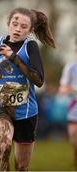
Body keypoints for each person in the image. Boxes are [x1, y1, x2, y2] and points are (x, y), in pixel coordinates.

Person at [0, 7, 56, 171]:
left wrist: (13, 57)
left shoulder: (30, 47)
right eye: (15, 23)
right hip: (1, 107)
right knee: (4, 145)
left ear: (30, 30)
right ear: (8, 23)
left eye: (23, 26)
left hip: (27, 112)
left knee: (22, 166)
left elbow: (38, 80)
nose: (18, 29)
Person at [59, 39, 77, 168]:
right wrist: (72, 89)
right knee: (73, 135)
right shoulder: (71, 67)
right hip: (74, 106)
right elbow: (62, 88)